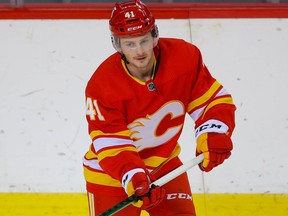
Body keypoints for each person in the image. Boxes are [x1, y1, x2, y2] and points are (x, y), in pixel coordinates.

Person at [83, 0, 236, 215]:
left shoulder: (184, 58)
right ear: (117, 45)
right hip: (112, 175)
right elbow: (110, 141)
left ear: (155, 34)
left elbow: (212, 100)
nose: (139, 51)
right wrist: (134, 175)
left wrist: (214, 131)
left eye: (144, 40)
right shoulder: (103, 85)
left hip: (165, 166)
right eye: (130, 43)